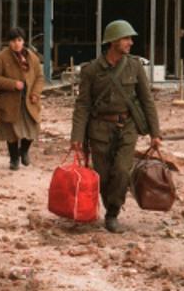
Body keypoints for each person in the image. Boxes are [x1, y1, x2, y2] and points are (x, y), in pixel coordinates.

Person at [69, 20, 162, 233]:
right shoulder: (92, 70)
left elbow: (147, 101)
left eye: (130, 39)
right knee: (103, 173)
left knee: (121, 170)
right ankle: (109, 203)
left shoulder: (134, 66)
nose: (130, 43)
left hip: (127, 126)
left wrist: (155, 133)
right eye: (126, 38)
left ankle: (113, 213)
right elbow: (82, 105)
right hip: (99, 129)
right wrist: (77, 137)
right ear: (113, 42)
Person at [0, 27, 44, 170]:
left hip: (29, 100)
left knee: (32, 127)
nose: (16, 44)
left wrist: (35, 93)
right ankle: (14, 159)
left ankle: (24, 150)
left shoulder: (32, 57)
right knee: (11, 132)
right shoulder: (1, 57)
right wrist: (13, 84)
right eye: (13, 41)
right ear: (9, 42)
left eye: (19, 40)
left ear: (23, 41)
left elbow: (39, 77)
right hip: (10, 100)